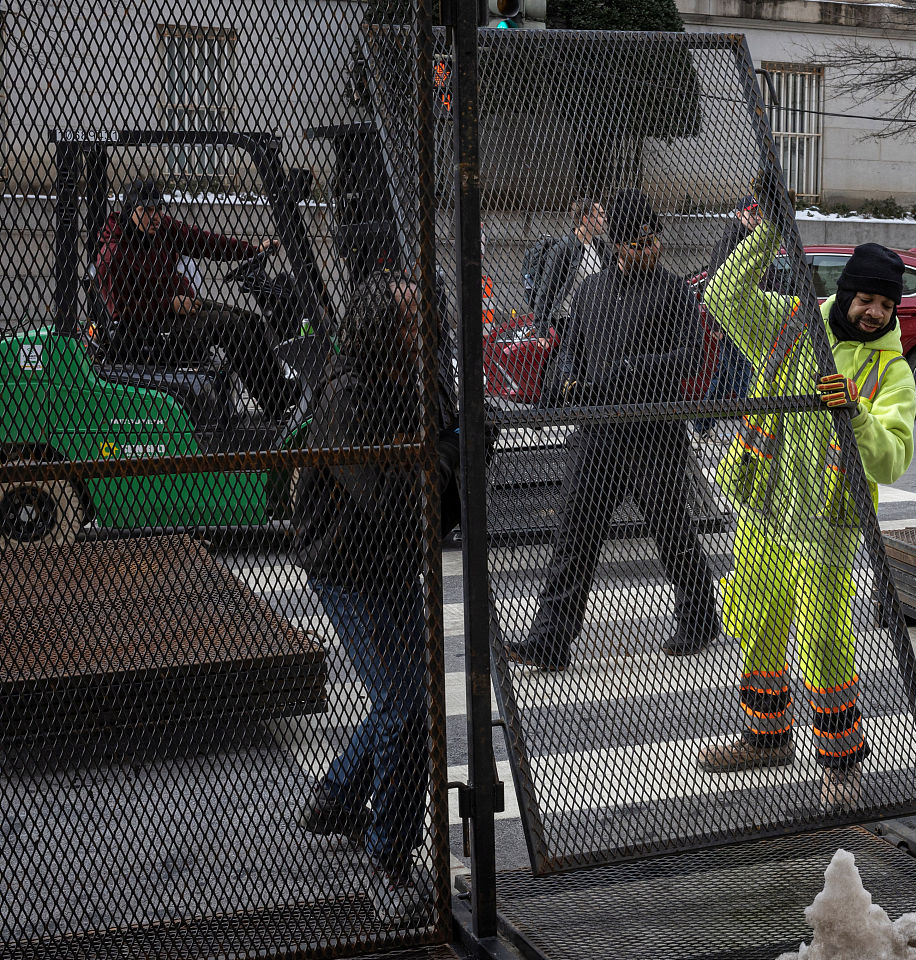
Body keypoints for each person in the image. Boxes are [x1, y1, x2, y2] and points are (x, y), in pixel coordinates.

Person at [697, 205, 916, 809]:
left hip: (826, 523)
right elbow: (724, 296)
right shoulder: (791, 323)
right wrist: (766, 228)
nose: (874, 313)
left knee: (824, 639)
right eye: (866, 299)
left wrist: (858, 413)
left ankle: (842, 761)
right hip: (762, 507)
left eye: (886, 305)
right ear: (845, 293)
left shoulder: (890, 371)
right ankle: (766, 737)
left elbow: (893, 460)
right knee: (753, 623)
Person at [291, 272, 461, 923]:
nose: (425, 330)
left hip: (390, 557)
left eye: (425, 317)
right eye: (408, 321)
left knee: (403, 698)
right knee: (408, 707)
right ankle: (388, 861)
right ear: (377, 330)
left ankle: (337, 795)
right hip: (347, 563)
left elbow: (445, 458)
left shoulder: (421, 373)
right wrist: (433, 455)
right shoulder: (349, 397)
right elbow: (392, 501)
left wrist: (427, 455)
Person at [503, 189, 719, 671]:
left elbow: (688, 358)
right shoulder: (590, 291)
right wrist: (564, 378)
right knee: (574, 533)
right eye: (638, 244)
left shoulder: (674, 291)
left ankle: (700, 617)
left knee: (671, 528)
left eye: (653, 240)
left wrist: (624, 370)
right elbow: (570, 348)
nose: (650, 250)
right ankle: (550, 640)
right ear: (617, 245)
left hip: (652, 432)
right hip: (596, 432)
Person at [95, 178, 298, 420]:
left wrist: (253, 250)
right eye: (146, 210)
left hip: (177, 309)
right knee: (231, 327)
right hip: (147, 328)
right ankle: (277, 401)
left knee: (250, 320)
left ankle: (278, 394)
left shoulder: (163, 229)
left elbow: (204, 241)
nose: (155, 216)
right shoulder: (114, 254)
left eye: (158, 208)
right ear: (130, 212)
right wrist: (169, 304)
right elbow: (121, 310)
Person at [695, 195, 764, 435]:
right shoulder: (729, 243)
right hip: (732, 321)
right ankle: (754, 429)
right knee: (743, 376)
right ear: (738, 214)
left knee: (726, 375)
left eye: (759, 213)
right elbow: (714, 284)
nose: (757, 218)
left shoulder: (754, 241)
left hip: (745, 319)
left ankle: (702, 424)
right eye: (752, 213)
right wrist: (716, 323)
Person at [533, 197, 610, 331]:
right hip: (568, 320)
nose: (606, 219)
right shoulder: (563, 249)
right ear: (586, 218)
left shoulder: (600, 247)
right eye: (601, 215)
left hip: (595, 318)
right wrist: (541, 330)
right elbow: (546, 289)